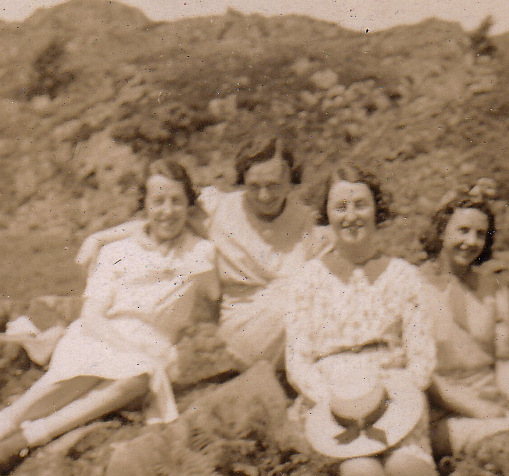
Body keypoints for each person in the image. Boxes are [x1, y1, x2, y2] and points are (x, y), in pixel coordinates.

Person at [0, 159, 219, 475]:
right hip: (100, 333)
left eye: (176, 201)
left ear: (189, 203)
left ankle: (34, 434)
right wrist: (103, 240)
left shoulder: (199, 253)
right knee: (76, 377)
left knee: (138, 375)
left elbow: (215, 290)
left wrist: (103, 235)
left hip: (154, 346)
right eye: (158, 201)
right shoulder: (118, 251)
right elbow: (92, 316)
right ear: (143, 204)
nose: (168, 211)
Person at [284, 165, 457, 476]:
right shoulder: (307, 279)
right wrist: (337, 401)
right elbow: (297, 361)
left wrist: (393, 397)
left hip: (396, 401)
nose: (351, 216)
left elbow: (421, 358)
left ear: (376, 209)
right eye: (340, 207)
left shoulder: (403, 276)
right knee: (359, 472)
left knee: (404, 467)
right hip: (331, 407)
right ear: (326, 214)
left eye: (360, 205)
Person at [77, 132, 327, 370]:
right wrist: (98, 238)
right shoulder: (218, 209)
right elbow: (161, 218)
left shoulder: (305, 221)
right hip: (244, 324)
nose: (263, 196)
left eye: (273, 185)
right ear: (243, 180)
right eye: (254, 186)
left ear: (290, 181)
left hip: (291, 315)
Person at [418, 181, 509, 456]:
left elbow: (505, 360)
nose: (471, 242)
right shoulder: (412, 287)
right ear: (442, 230)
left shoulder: (494, 290)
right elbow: (424, 375)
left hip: (495, 408)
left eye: (480, 234)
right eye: (463, 230)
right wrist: (481, 411)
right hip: (442, 415)